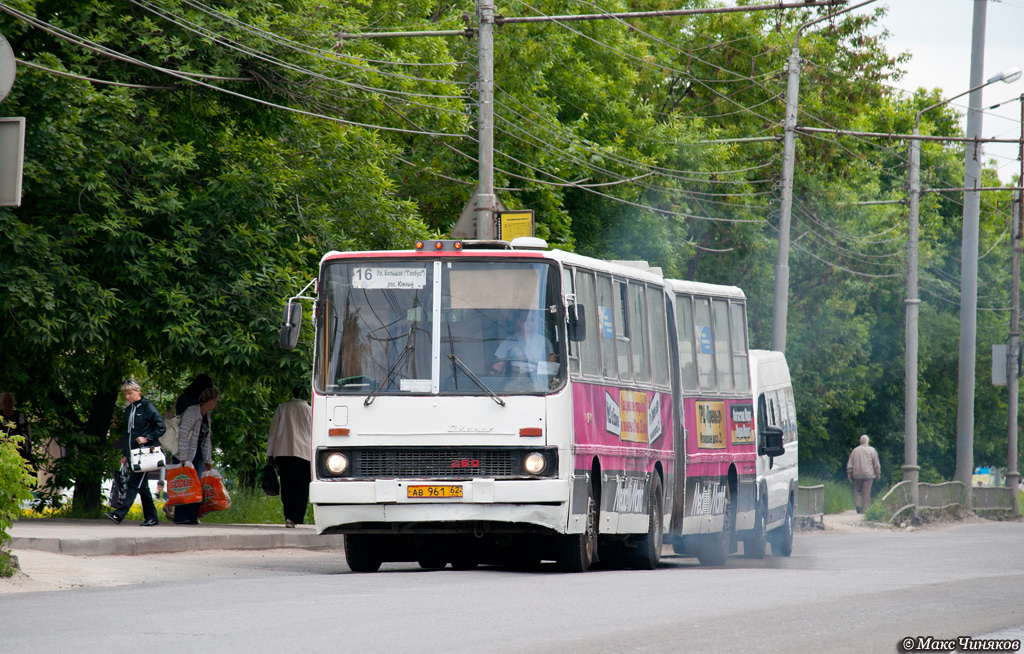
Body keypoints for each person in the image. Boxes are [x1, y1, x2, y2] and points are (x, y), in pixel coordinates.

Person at [105, 380, 164, 526]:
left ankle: (119, 514)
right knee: (142, 487)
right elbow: (129, 434)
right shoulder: (128, 410)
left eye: (130, 393)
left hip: (145, 454)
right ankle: (152, 518)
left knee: (133, 483)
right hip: (134, 453)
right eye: (125, 394)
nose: (127, 396)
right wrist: (126, 454)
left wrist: (147, 438)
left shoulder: (148, 407)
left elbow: (161, 427)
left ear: (138, 391)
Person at [266, 386, 312, 527]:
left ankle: (289, 516)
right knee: (302, 486)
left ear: (294, 393)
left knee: (287, 485)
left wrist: (270, 453)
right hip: (304, 453)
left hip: (283, 452)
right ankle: (298, 517)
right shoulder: (311, 410)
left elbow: (273, 431)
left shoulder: (283, 407)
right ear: (308, 396)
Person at [174, 387, 219, 524]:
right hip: (186, 453)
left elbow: (207, 438)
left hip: (197, 452)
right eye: (215, 401)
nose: (216, 404)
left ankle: (192, 517)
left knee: (196, 485)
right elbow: (183, 434)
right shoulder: (192, 412)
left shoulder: (206, 415)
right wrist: (183, 457)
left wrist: (207, 459)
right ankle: (182, 517)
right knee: (184, 484)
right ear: (209, 401)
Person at [491, 309, 556, 376]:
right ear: (519, 322)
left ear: (536, 322)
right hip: (516, 381)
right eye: (525, 320)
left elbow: (551, 366)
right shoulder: (508, 342)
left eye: (532, 320)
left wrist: (540, 369)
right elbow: (498, 366)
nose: (529, 323)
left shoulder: (545, 342)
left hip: (539, 381)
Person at [1, 392, 36, 475]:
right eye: (5, 401)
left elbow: (27, 433)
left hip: (21, 452)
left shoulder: (20, 415)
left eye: (10, 401)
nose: (7, 403)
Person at [847, 434, 881, 514]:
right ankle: (864, 509)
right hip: (868, 475)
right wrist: (878, 473)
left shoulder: (855, 450)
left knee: (857, 490)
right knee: (866, 492)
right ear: (867, 441)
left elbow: (850, 462)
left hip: (857, 474)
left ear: (860, 441)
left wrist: (849, 472)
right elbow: (876, 463)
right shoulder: (872, 450)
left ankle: (858, 505)